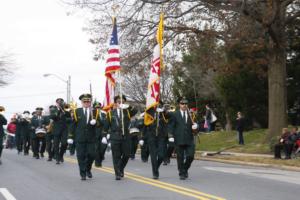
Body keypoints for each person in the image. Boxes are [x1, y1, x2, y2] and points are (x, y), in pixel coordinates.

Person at [105, 95, 138, 180]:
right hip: (115, 136)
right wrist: (105, 135)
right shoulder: (110, 113)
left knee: (127, 154)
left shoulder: (127, 112)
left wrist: (128, 106)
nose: (120, 103)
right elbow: (106, 126)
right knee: (116, 156)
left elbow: (135, 110)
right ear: (115, 103)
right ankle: (117, 173)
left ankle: (120, 168)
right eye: (119, 102)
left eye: (122, 102)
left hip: (126, 136)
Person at [168, 97, 199, 180]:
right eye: (182, 104)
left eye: (186, 104)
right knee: (180, 157)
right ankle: (181, 173)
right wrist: (170, 136)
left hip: (189, 139)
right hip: (179, 139)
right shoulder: (175, 114)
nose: (184, 105)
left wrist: (196, 127)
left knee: (191, 156)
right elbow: (171, 126)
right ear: (179, 105)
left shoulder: (191, 115)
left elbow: (196, 130)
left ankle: (185, 169)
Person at [70, 93, 99, 180]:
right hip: (80, 137)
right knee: (81, 156)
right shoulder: (76, 111)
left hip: (91, 137)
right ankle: (82, 173)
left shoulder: (95, 112)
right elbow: (73, 125)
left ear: (90, 102)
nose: (86, 103)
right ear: (82, 102)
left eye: (88, 101)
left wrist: (96, 122)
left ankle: (88, 169)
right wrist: (70, 136)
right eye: (84, 102)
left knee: (92, 155)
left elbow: (101, 123)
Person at [142, 103, 169, 179]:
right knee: (153, 156)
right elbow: (145, 126)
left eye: (158, 104)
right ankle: (155, 173)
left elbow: (168, 120)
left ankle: (155, 168)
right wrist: (142, 138)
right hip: (152, 137)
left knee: (161, 155)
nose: (156, 105)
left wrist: (163, 112)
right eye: (155, 104)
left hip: (161, 137)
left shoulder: (162, 113)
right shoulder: (148, 113)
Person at [50, 98, 72, 164]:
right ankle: (57, 158)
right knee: (56, 144)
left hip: (64, 129)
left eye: (61, 102)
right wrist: (58, 110)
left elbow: (70, 119)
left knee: (64, 143)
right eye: (58, 102)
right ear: (56, 103)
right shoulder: (54, 110)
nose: (60, 103)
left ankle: (61, 155)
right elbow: (53, 117)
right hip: (56, 129)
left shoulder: (66, 111)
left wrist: (66, 116)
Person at [93, 101, 108, 167]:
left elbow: (107, 122)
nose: (97, 109)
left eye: (98, 107)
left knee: (103, 147)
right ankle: (97, 162)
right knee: (96, 148)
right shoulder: (92, 113)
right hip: (95, 132)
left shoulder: (104, 113)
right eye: (96, 107)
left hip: (103, 132)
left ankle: (101, 157)